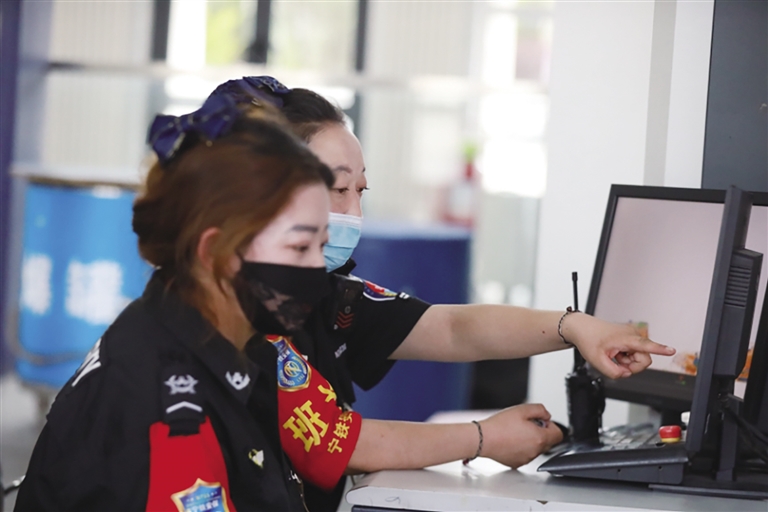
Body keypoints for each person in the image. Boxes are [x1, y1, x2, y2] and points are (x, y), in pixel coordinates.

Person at [205, 77, 678, 511]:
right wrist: (484, 438)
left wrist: (573, 326)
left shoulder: (320, 294)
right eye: (338, 188)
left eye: (360, 190)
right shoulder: (234, 315)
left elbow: (451, 328)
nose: (354, 213)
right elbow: (345, 444)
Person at [14, 97, 354, 510]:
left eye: (321, 246)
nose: (317, 269)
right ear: (213, 251)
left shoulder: (226, 342)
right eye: (299, 247)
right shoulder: (168, 408)